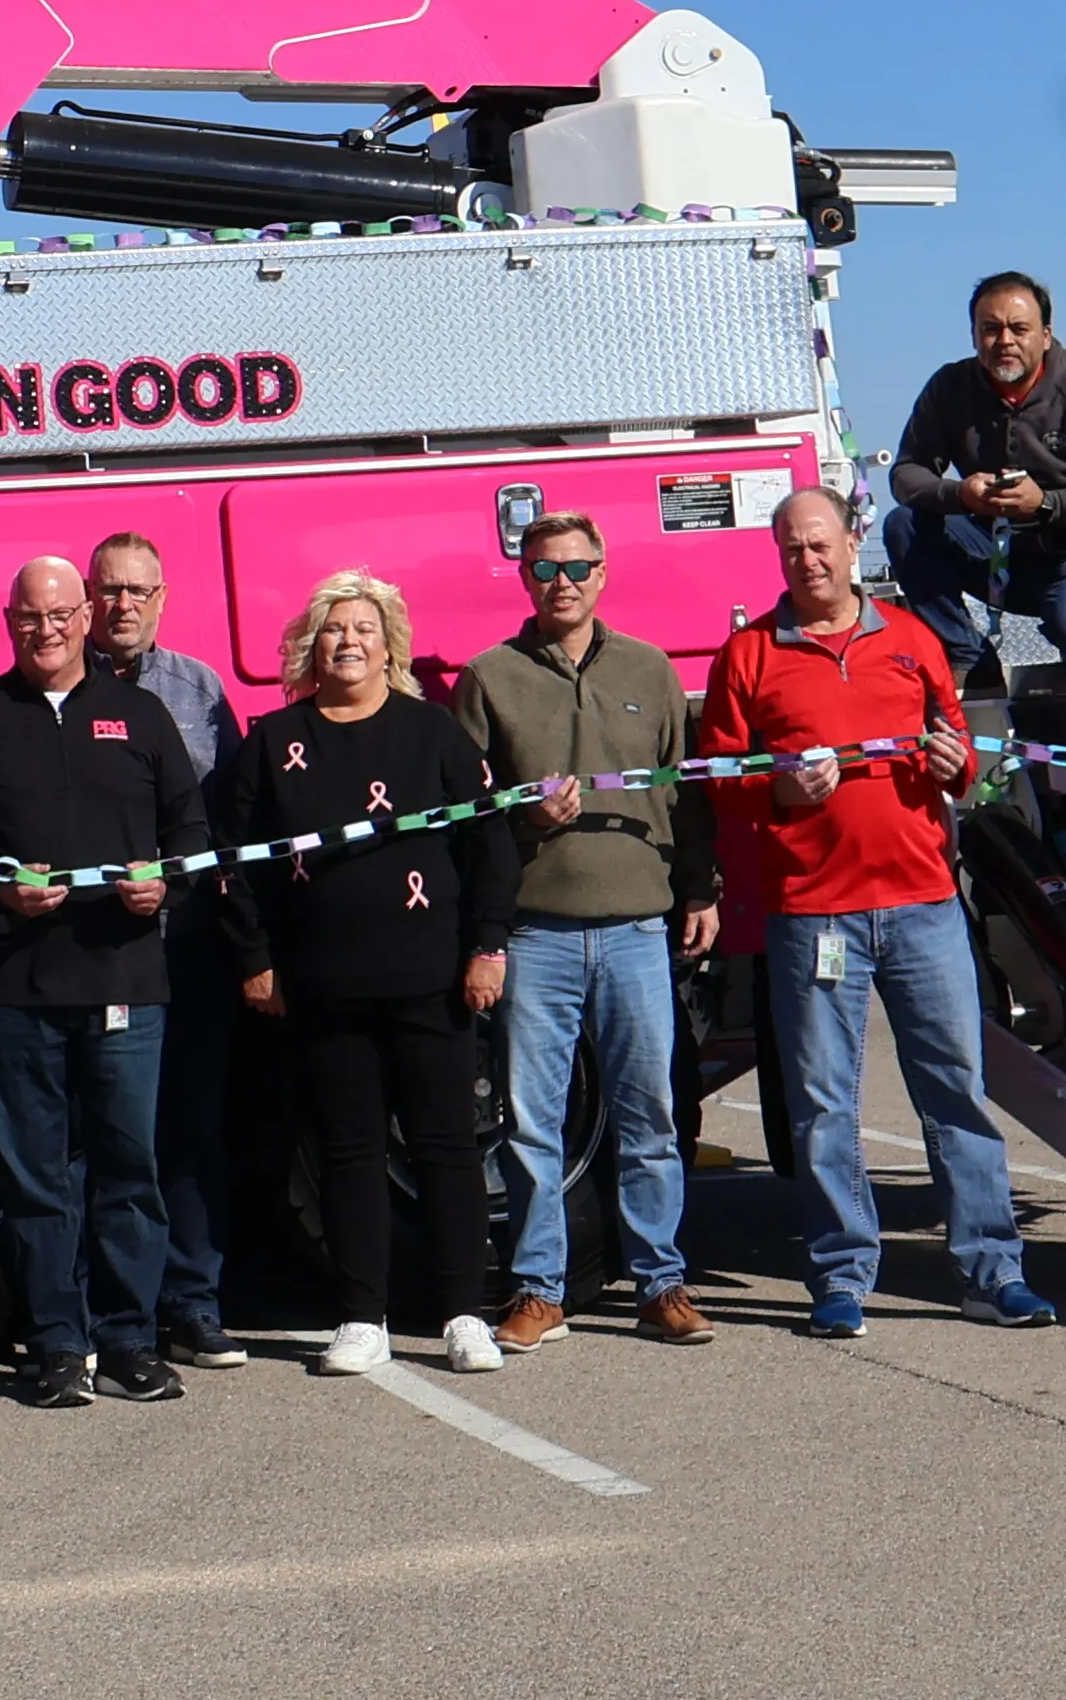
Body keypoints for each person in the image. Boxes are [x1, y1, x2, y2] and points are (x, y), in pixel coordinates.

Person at [695, 488, 1049, 1339]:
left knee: (955, 1093)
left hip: (923, 904)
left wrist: (955, 761)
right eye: (790, 550)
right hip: (814, 917)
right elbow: (716, 777)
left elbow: (960, 755)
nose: (806, 561)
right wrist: (776, 783)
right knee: (822, 1106)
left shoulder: (911, 639)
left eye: (818, 545)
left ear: (853, 545)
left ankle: (991, 1269)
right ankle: (840, 1276)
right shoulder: (747, 655)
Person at [0, 554, 205, 1411]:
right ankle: (58, 1347)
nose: (48, 629)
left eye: (63, 614)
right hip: (14, 991)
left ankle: (132, 1340)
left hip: (126, 983)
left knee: (126, 1170)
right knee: (37, 1181)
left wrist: (164, 884)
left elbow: (190, 830)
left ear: (87, 617)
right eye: (31, 616)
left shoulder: (139, 715)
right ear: (9, 623)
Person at [225, 575, 513, 1377]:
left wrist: (488, 946)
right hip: (324, 989)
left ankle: (465, 1313)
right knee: (347, 1153)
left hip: (433, 981)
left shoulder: (437, 734)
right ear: (310, 649)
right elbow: (233, 864)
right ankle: (362, 1317)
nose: (347, 642)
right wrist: (256, 960)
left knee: (447, 1147)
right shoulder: (274, 739)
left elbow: (489, 847)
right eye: (331, 631)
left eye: (363, 628)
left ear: (391, 644)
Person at [448, 512, 709, 1349]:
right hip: (537, 934)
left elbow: (688, 791)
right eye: (544, 570)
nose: (562, 583)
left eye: (578, 567)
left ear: (603, 573)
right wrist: (524, 819)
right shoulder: (489, 678)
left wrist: (699, 891)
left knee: (651, 1115)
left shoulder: (651, 669)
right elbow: (467, 819)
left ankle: (661, 1283)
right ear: (523, 580)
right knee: (531, 1123)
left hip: (636, 927)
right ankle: (537, 1289)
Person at [82, 529, 245, 1373]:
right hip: (93, 942)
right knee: (107, 1133)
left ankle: (193, 1300)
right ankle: (110, 1311)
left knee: (190, 1125)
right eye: (109, 591)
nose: (123, 606)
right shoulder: (61, 687)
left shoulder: (200, 687)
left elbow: (234, 811)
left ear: (163, 598)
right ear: (86, 597)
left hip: (186, 938)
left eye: (139, 591)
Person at [883, 272, 1066, 683]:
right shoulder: (949, 388)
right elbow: (905, 474)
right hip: (999, 553)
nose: (1004, 340)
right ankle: (969, 656)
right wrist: (961, 494)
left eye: (1019, 329)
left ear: (1045, 336)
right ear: (974, 336)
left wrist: (1046, 503)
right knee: (903, 525)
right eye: (990, 329)